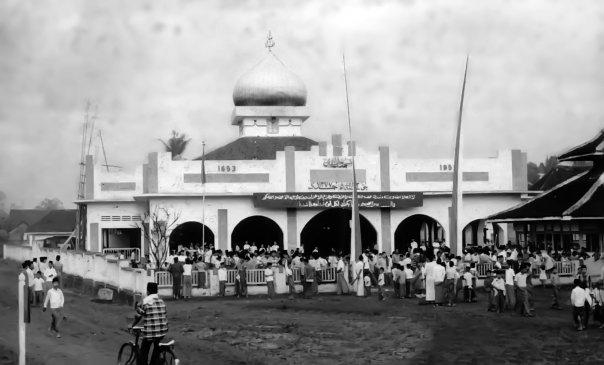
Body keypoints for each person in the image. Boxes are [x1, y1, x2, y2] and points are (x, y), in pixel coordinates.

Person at [130, 282, 168, 364]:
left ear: (148, 291)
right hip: (163, 331)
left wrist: (132, 325)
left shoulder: (145, 301)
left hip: (151, 332)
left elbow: (138, 316)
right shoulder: (162, 301)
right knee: (156, 347)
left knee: (144, 351)